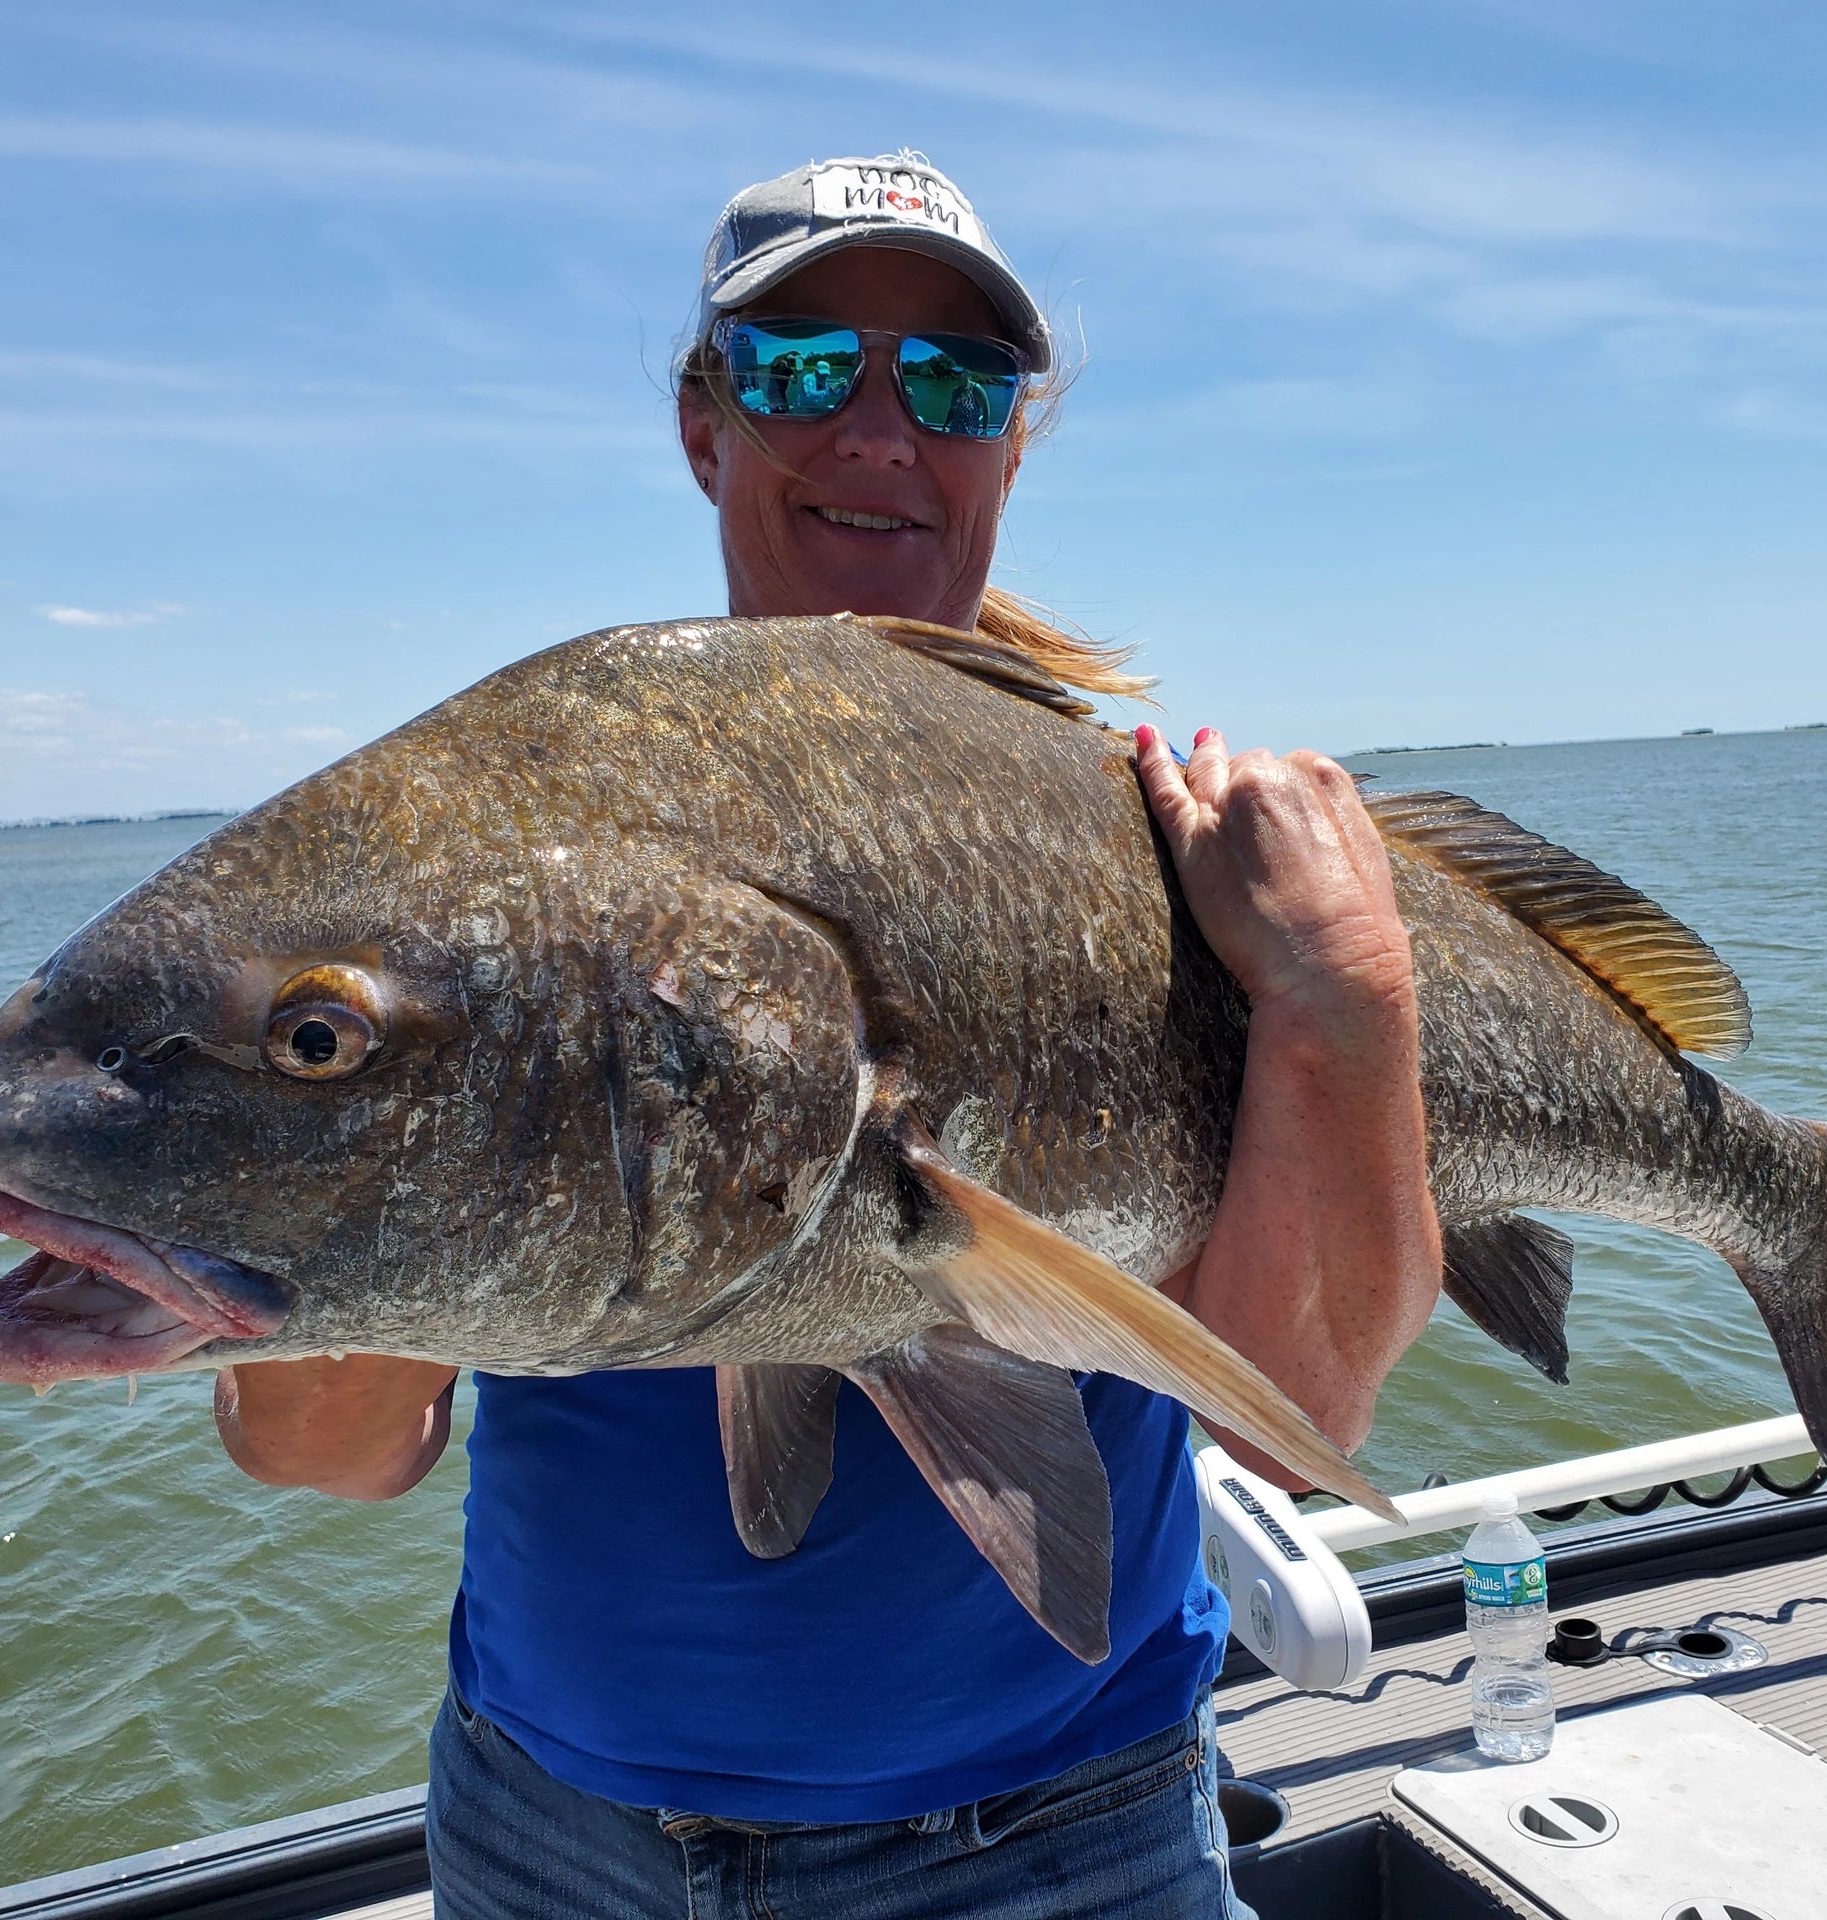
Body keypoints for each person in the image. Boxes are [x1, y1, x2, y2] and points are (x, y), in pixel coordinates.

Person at [213, 152, 1443, 1919]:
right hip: (550, 1832)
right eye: (803, 367)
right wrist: (253, 1242)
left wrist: (1350, 988)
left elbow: (1292, 1414)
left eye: (954, 387)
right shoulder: (520, 844)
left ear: (1011, 449)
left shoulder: (1180, 859)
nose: (882, 430)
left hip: (1061, 1847)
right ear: (705, 424)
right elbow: (330, 1453)